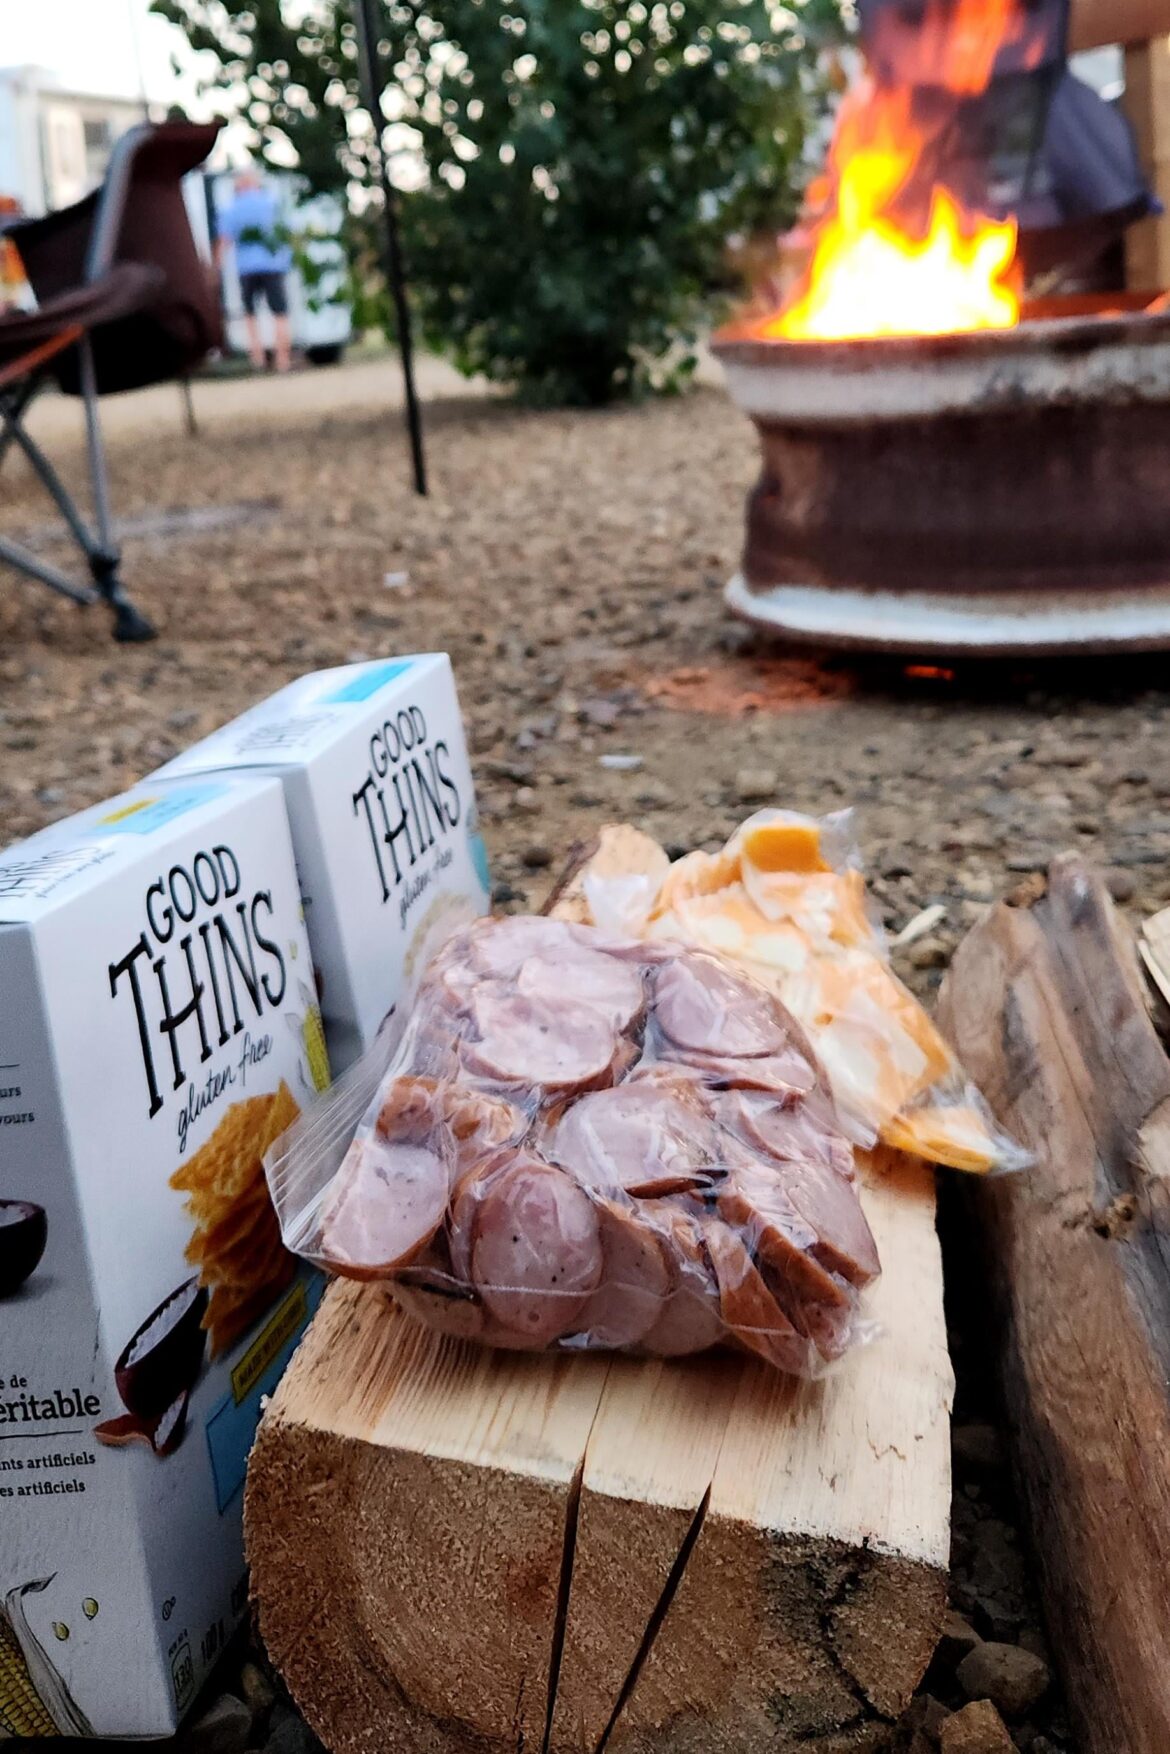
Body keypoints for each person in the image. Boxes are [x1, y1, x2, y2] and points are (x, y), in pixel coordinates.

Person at [215, 167, 293, 372]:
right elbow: (286, 233)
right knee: (280, 313)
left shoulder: (231, 209)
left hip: (247, 268)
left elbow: (224, 241)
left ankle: (257, 359)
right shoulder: (272, 204)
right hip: (274, 265)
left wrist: (215, 269)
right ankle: (282, 360)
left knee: (250, 314)